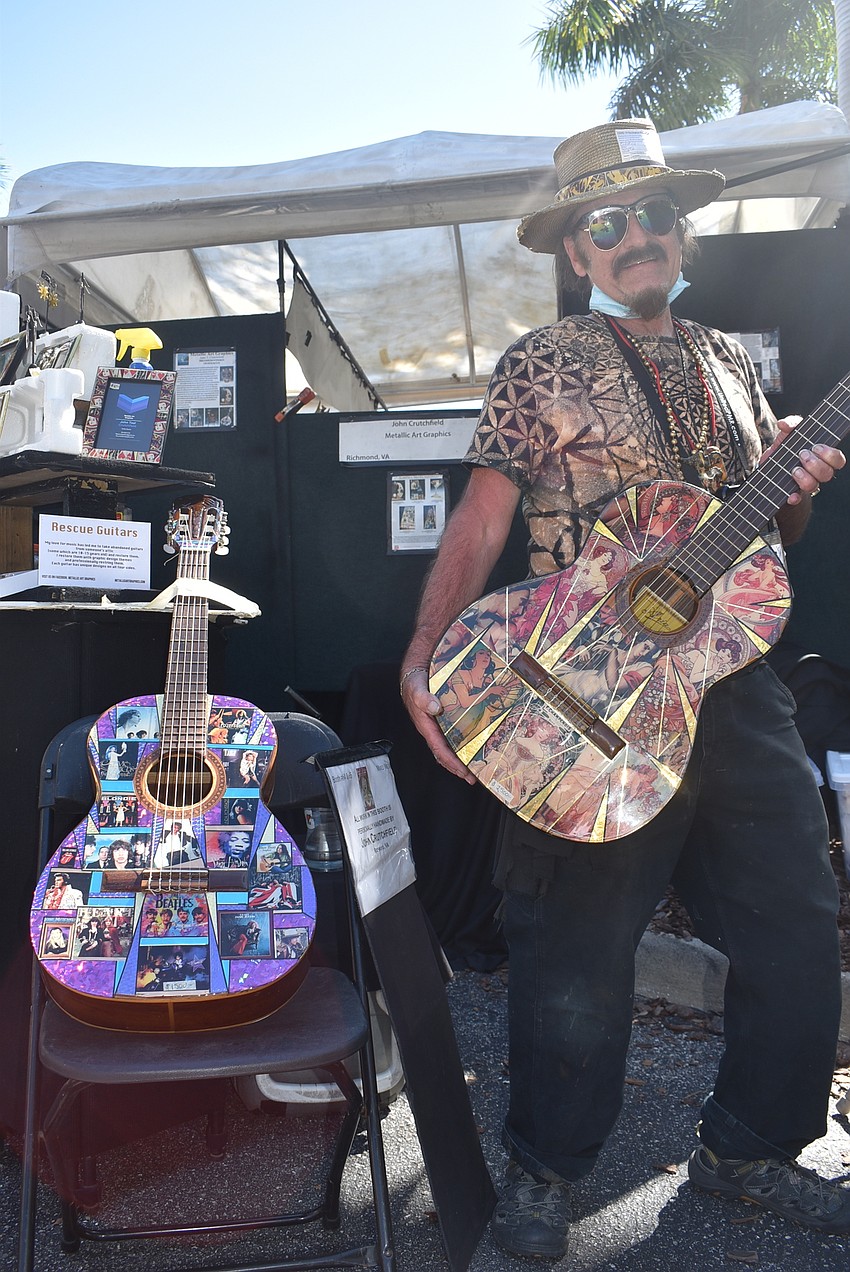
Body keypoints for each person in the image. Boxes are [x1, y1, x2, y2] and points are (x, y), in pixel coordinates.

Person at [400, 118, 849, 1261]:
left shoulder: (731, 362)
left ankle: (752, 1148)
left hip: (732, 690)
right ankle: (545, 1177)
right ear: (577, 253)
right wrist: (425, 658)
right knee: (571, 961)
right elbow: (483, 517)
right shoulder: (539, 365)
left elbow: (766, 536)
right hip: (582, 702)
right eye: (609, 224)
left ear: (678, 231)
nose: (637, 236)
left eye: (653, 215)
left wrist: (795, 479)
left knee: (797, 928)